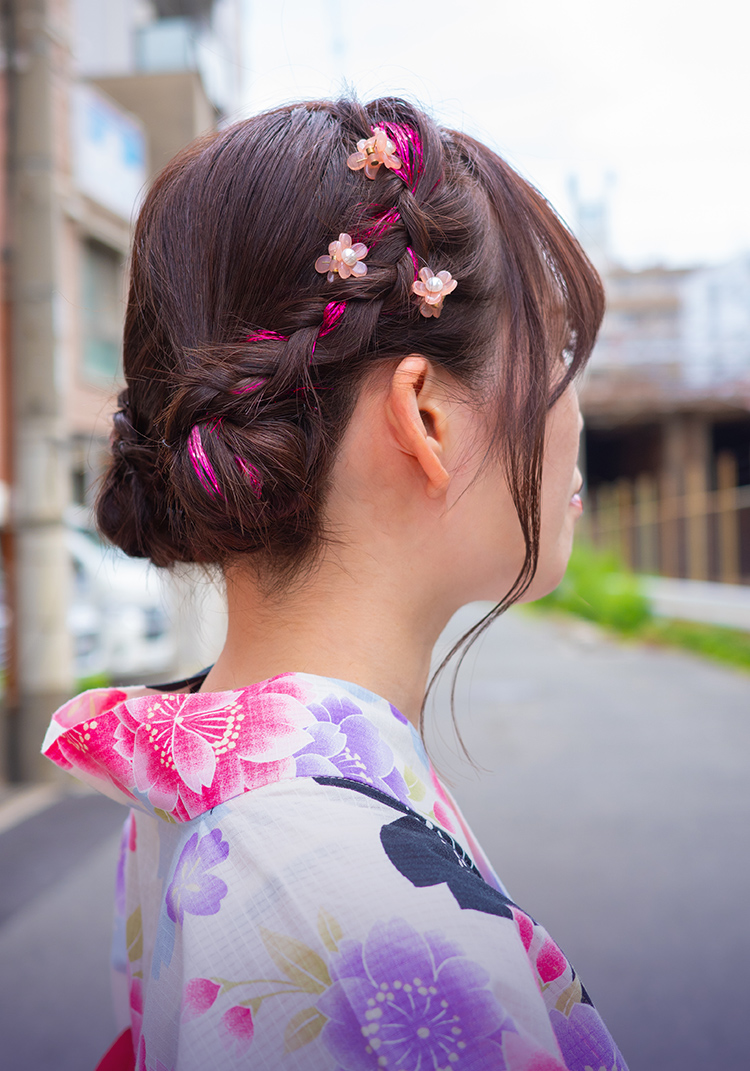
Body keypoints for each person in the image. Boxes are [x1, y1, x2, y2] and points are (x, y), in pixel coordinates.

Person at [43, 97, 626, 1071]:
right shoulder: (336, 893)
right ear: (427, 418)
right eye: (559, 350)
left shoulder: (227, 799)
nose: (575, 412)